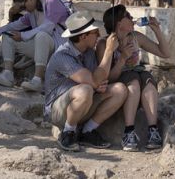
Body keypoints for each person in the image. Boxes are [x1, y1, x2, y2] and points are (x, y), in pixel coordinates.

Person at [44, 12, 127, 152]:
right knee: (85, 90)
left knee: (120, 89)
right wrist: (108, 51)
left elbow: (99, 80)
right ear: (83, 36)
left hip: (82, 103)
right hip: (58, 111)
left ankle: (87, 132)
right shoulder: (63, 55)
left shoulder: (88, 52)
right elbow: (94, 81)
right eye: (95, 32)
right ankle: (68, 132)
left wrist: (98, 85)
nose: (99, 35)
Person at [98, 5, 170, 151]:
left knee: (148, 81)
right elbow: (107, 78)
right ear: (119, 24)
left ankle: (153, 130)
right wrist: (122, 58)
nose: (132, 18)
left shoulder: (136, 37)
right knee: (134, 82)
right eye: (127, 16)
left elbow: (165, 53)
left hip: (137, 74)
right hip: (121, 82)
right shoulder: (104, 44)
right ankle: (129, 131)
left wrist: (157, 30)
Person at [0, 0, 58, 92]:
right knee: (8, 35)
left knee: (41, 35)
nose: (22, 10)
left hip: (57, 48)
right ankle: (7, 75)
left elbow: (48, 27)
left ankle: (37, 80)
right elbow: (12, 26)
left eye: (22, 7)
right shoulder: (31, 14)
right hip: (41, 50)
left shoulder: (50, 2)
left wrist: (23, 36)